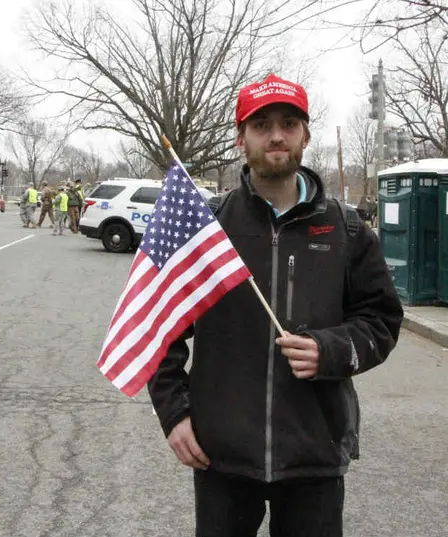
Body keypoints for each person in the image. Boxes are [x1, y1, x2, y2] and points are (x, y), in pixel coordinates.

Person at [147, 73, 404, 537]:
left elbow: (381, 322)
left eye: (289, 123)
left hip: (315, 454)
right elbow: (158, 325)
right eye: (261, 124)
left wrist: (331, 350)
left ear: (305, 135)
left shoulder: (347, 230)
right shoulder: (207, 228)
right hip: (222, 456)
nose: (276, 136)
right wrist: (174, 413)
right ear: (241, 136)